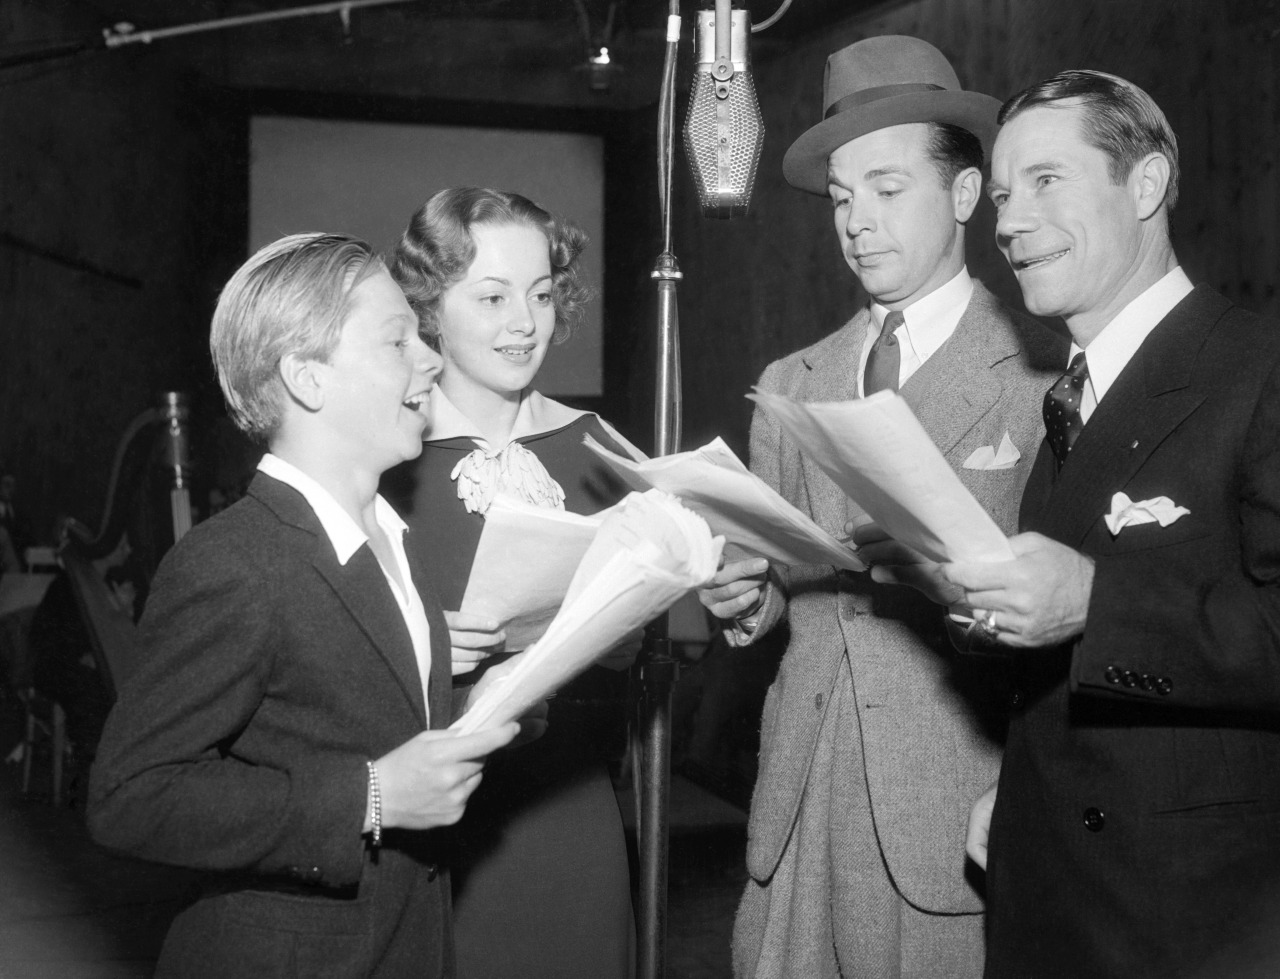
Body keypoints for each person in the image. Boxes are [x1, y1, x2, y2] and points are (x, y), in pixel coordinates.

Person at [696, 36, 1065, 979]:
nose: (857, 221)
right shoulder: (793, 380)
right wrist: (744, 598)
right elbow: (777, 581)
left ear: (967, 194)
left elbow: (1069, 622)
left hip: (951, 807)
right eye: (841, 198)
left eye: (888, 189)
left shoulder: (1042, 377)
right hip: (799, 801)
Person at [88, 232, 525, 978]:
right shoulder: (235, 562)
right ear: (308, 378)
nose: (431, 360)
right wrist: (370, 797)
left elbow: (349, 711)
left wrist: (495, 694)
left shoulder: (391, 536)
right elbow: (130, 796)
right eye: (398, 341)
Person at [927, 70, 1280, 978]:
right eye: (1002, 196)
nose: (1010, 223)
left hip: (1195, 922)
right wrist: (1024, 791)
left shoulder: (1257, 368)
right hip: (1051, 889)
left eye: (1047, 181)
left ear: (1147, 184)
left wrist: (1095, 601)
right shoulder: (1072, 394)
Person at [386, 187, 637, 979]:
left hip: (569, 810)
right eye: (493, 297)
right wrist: (421, 640)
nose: (525, 323)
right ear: (430, 306)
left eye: (541, 294)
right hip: (429, 831)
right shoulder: (383, 458)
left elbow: (640, 654)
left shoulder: (599, 447)